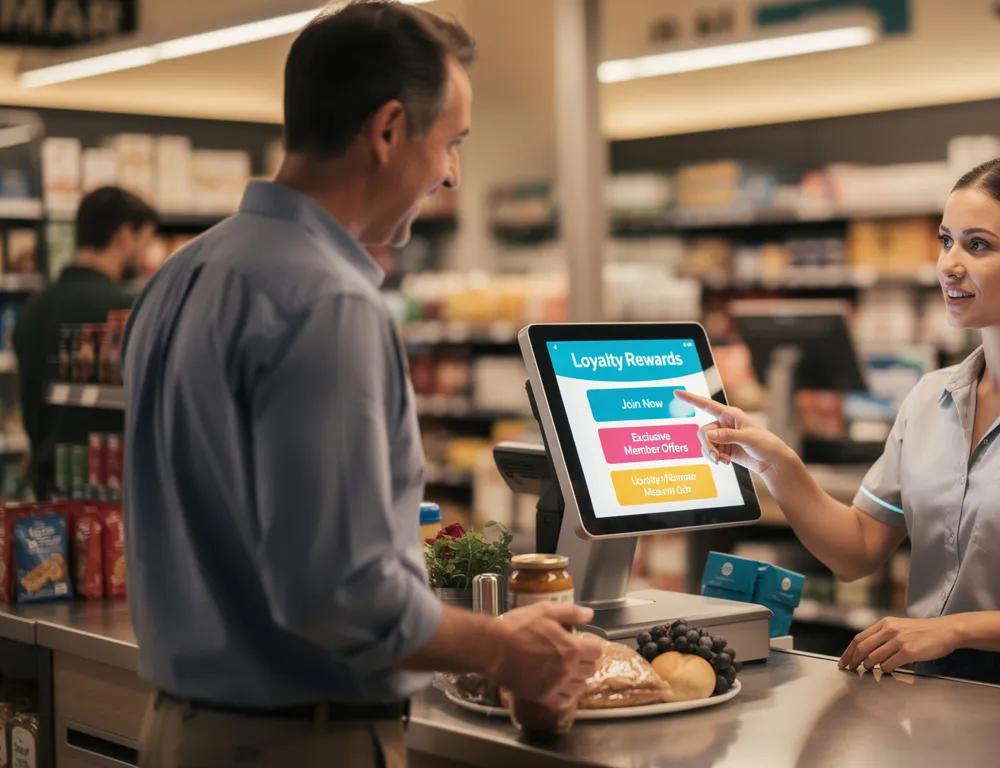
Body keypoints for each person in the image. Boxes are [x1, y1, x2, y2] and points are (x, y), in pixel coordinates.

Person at [122, 4, 600, 766]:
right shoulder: (327, 302)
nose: (452, 175)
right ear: (388, 130)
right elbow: (339, 594)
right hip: (296, 744)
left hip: (180, 730)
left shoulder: (181, 275)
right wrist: (503, 650)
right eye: (451, 143)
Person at [678, 154, 1000, 701]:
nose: (949, 264)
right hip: (935, 694)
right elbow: (858, 551)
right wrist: (776, 463)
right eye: (946, 241)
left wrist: (953, 630)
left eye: (978, 245)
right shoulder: (930, 399)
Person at [14, 185, 157, 499]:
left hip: (46, 491)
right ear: (124, 235)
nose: (146, 256)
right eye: (145, 242)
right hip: (110, 497)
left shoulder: (33, 308)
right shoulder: (128, 311)